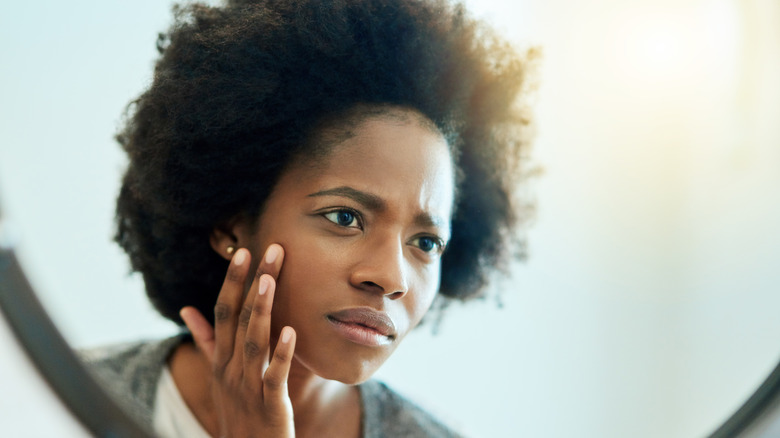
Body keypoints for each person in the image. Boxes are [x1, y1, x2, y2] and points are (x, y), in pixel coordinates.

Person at [83, 0, 536, 436]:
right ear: (231, 223)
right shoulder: (59, 395)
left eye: (426, 243)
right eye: (344, 217)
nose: (390, 277)